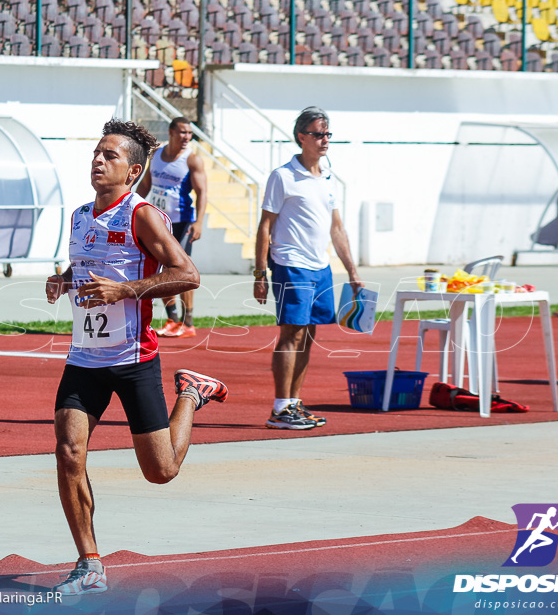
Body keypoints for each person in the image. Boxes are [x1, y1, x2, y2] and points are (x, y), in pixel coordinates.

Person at [45, 119, 229, 595]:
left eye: (110, 155)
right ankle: (89, 565)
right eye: (96, 153)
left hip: (132, 358)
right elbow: (88, 263)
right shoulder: (80, 215)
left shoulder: (142, 215)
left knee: (160, 471)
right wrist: (64, 278)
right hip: (84, 357)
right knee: (69, 452)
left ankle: (191, 394)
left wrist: (126, 289)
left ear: (133, 170)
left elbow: (188, 274)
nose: (98, 160)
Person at [252, 106, 362, 430]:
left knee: (309, 335)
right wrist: (260, 273)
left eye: (327, 134)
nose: (324, 140)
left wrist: (352, 272)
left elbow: (337, 228)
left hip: (320, 267)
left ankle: (294, 402)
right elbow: (264, 226)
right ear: (301, 137)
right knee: (292, 334)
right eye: (318, 134)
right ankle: (280, 407)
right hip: (291, 264)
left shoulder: (327, 176)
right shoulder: (282, 176)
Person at [135, 117, 207, 338]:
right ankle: (172, 319)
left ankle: (188, 322)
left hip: (182, 221)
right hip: (159, 222)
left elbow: (202, 192)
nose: (187, 137)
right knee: (163, 270)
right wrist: (129, 207)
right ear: (171, 132)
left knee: (181, 270)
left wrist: (199, 222)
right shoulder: (156, 155)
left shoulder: (191, 160)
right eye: (183, 132)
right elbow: (147, 183)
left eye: (190, 134)